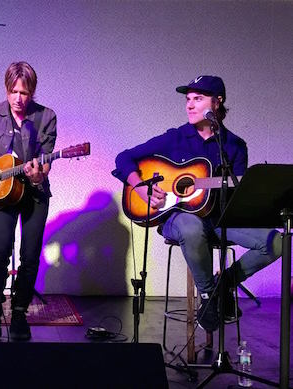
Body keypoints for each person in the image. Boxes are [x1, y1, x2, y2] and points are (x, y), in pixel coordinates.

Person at [112, 75, 281, 332]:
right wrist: (140, 187)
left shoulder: (234, 146)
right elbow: (124, 158)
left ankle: (224, 284)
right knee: (191, 226)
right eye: (188, 99)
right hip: (178, 218)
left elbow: (238, 194)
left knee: (276, 242)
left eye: (197, 99)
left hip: (220, 219)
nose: (189, 105)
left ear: (217, 102)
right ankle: (208, 296)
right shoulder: (176, 137)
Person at [0, 61, 57, 341]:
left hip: (34, 194)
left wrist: (37, 176)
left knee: (29, 256)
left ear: (32, 92)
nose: (18, 98)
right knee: (0, 252)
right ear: (5, 89)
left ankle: (18, 313)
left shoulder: (46, 117)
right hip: (1, 195)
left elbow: (46, 164)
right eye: (13, 91)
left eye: (24, 93)